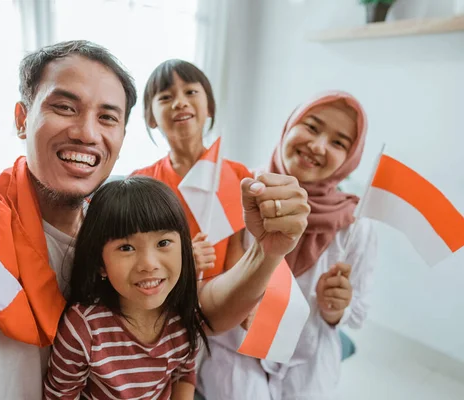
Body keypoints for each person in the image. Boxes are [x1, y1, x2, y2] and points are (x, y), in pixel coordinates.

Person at [0, 40, 309, 400]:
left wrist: (268, 253)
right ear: (22, 119)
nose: (87, 132)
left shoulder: (109, 229)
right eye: (64, 107)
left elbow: (195, 316)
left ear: (121, 136)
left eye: (107, 117)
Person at [198, 91, 377, 400]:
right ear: (289, 126)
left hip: (306, 355)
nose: (318, 146)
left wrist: (337, 308)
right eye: (311, 126)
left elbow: (358, 310)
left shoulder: (356, 224)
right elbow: (206, 280)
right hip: (236, 348)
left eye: (338, 143)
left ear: (350, 158)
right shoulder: (242, 187)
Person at [44, 176, 211, 399]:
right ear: (100, 264)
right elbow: (60, 395)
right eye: (126, 247)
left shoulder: (183, 314)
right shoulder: (84, 328)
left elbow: (184, 374)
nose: (149, 264)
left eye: (163, 243)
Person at [132, 59, 252, 281]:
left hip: (222, 300)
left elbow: (238, 253)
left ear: (210, 107)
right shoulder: (141, 183)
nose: (180, 102)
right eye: (166, 97)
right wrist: (184, 261)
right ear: (150, 117)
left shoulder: (237, 175)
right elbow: (138, 256)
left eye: (190, 92)